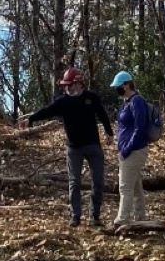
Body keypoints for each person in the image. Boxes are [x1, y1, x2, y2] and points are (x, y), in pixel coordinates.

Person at [21, 67, 113, 226]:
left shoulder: (92, 98)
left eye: (69, 84)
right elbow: (46, 111)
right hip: (74, 148)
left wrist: (109, 132)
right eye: (65, 85)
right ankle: (75, 216)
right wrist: (31, 119)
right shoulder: (62, 102)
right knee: (74, 182)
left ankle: (95, 216)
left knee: (98, 182)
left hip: (93, 146)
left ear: (79, 83)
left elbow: (102, 114)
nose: (66, 87)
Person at [110, 70, 151, 226]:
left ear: (127, 85)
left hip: (134, 150)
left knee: (125, 187)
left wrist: (126, 149)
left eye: (118, 86)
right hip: (128, 149)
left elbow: (139, 129)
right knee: (135, 186)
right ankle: (140, 216)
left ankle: (122, 219)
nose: (117, 89)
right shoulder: (127, 102)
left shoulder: (137, 102)